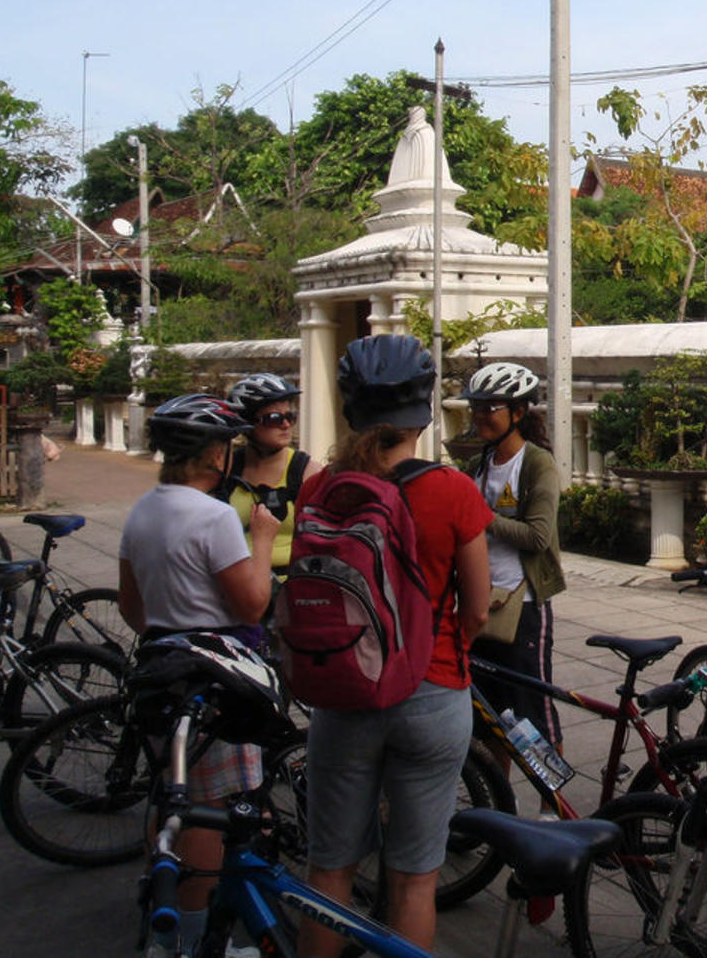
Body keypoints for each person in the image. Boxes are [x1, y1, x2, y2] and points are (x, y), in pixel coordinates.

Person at [297, 334, 492, 958]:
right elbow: (479, 608)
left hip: (343, 689)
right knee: (414, 879)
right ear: (423, 408)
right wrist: (435, 653)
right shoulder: (454, 490)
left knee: (329, 872)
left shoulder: (321, 487)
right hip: (433, 693)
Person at [117, 393, 280, 958]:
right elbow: (253, 604)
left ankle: (165, 934)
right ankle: (194, 939)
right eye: (226, 446)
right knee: (215, 810)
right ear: (212, 454)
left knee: (170, 801)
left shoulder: (142, 510)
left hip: (160, 667)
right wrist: (261, 539)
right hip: (211, 677)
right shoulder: (214, 517)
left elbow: (132, 610)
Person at [458, 361, 566, 786]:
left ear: (518, 413)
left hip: (523, 605)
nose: (481, 415)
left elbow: (538, 537)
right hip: (483, 601)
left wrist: (480, 517)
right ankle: (502, 801)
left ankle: (552, 803)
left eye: (492, 408)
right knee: (489, 713)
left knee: (533, 711)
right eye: (477, 407)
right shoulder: (481, 462)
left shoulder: (537, 464)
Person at [217, 372, 319, 581]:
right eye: (274, 418)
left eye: (290, 416)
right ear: (247, 423)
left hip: (291, 585)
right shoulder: (228, 469)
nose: (286, 425)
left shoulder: (306, 472)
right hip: (236, 584)